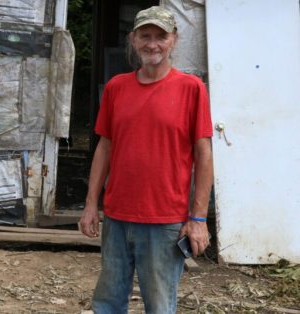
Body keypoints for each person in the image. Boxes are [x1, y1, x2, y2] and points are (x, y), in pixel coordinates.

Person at [79, 6, 214, 314]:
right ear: (133, 39)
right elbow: (105, 147)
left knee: (159, 305)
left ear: (174, 41)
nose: (152, 44)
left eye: (161, 37)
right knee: (107, 302)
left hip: (164, 220)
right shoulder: (116, 87)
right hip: (117, 216)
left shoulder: (191, 89)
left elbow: (203, 154)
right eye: (145, 36)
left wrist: (197, 218)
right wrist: (90, 204)